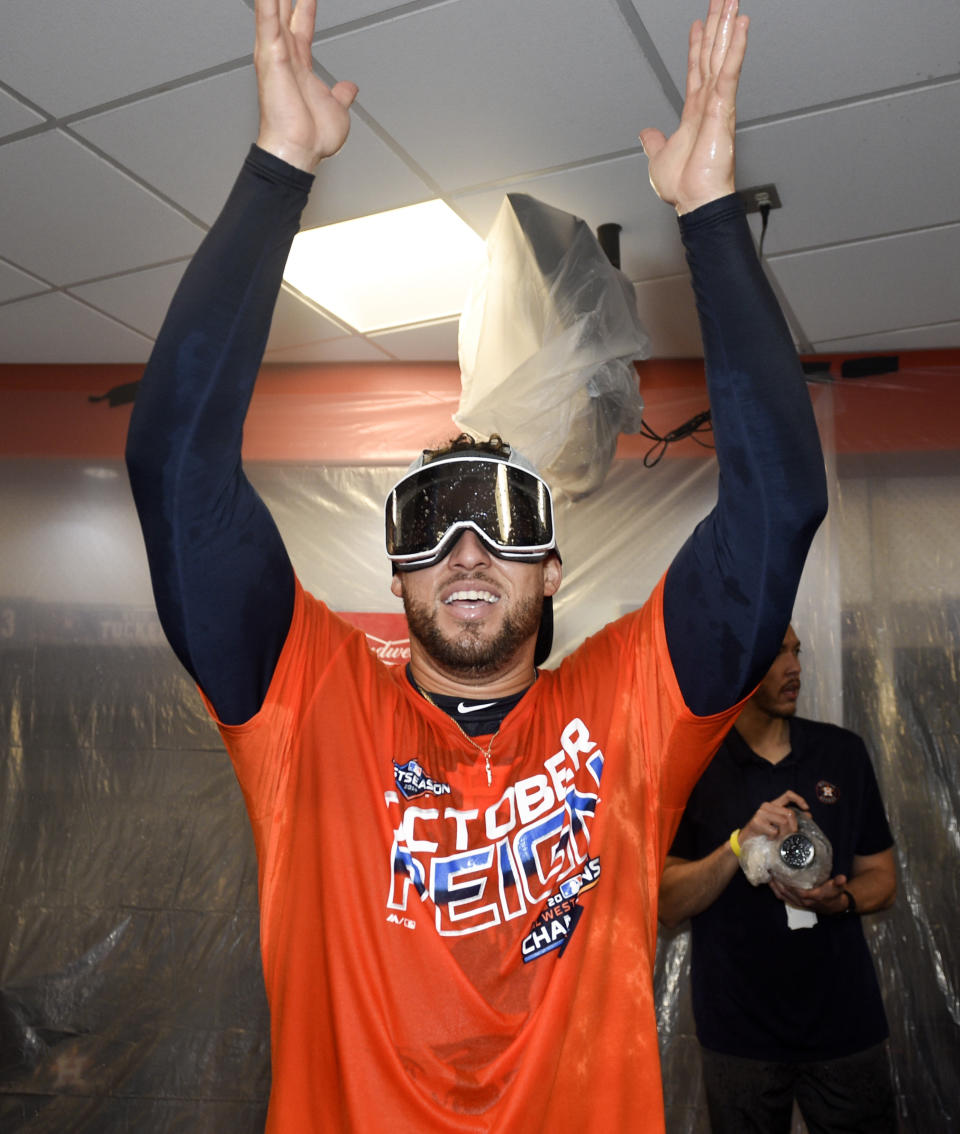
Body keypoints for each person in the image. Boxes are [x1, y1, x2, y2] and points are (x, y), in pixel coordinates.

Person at [124, 0, 827, 1129]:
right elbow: (174, 471)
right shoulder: (309, 708)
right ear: (396, 578)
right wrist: (277, 172)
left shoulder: (628, 710)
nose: (465, 545)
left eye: (503, 521)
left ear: (552, 570)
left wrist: (706, 216)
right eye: (431, 523)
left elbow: (780, 503)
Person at [659, 625, 898, 1133]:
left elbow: (882, 876)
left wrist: (842, 902)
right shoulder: (694, 768)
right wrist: (738, 845)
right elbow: (667, 902)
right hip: (739, 1034)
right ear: (739, 670)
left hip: (844, 1025)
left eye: (797, 652)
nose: (795, 668)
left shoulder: (843, 754)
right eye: (776, 655)